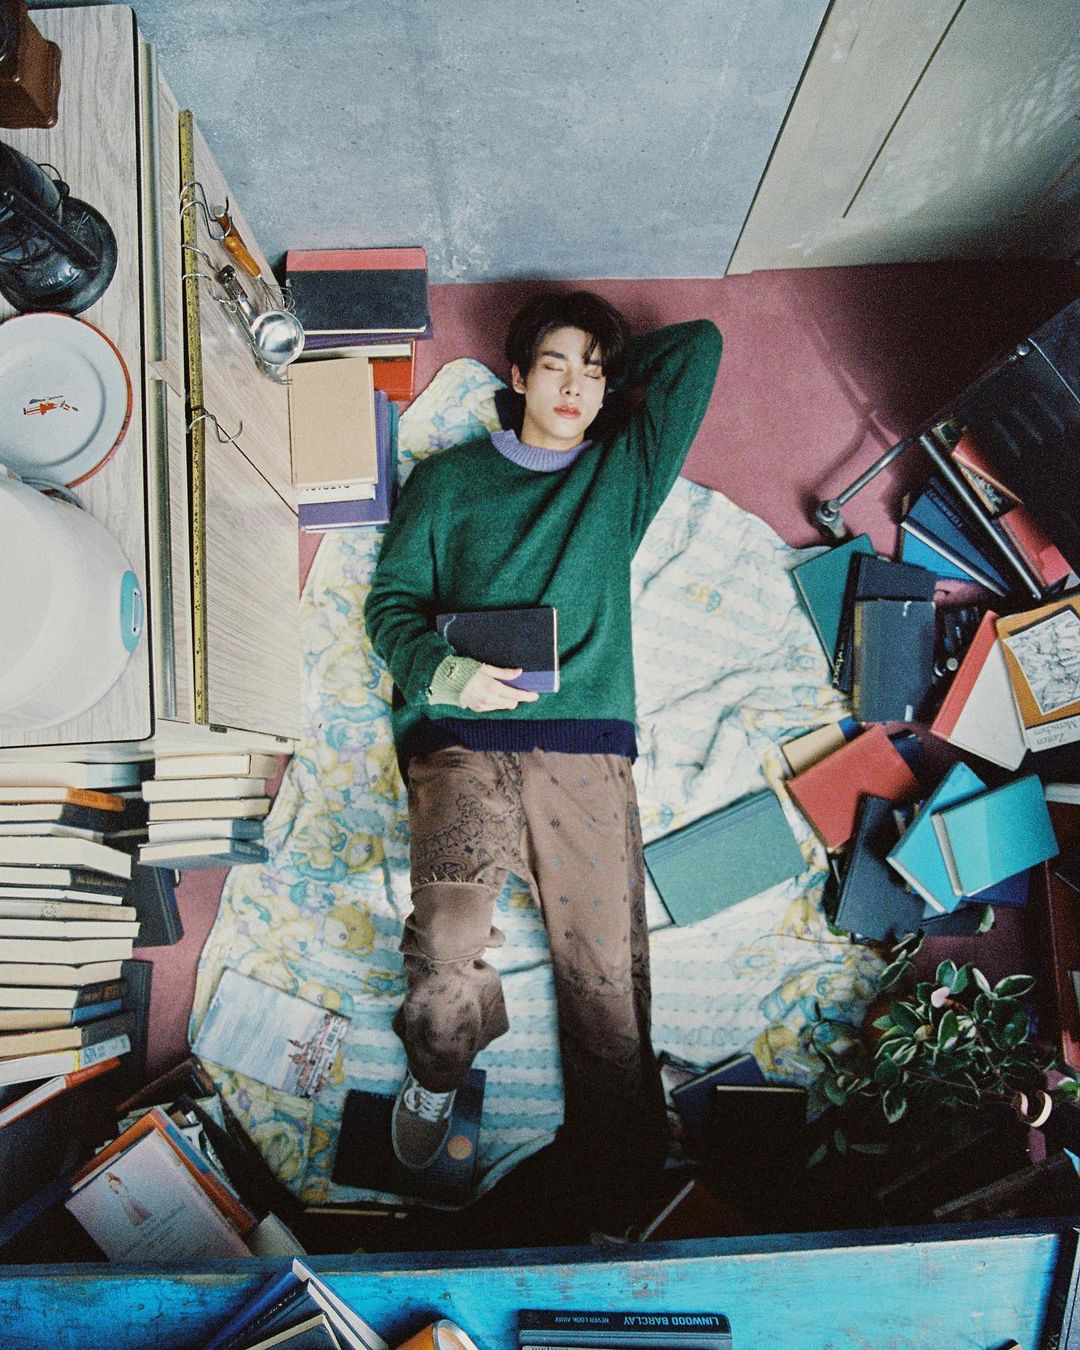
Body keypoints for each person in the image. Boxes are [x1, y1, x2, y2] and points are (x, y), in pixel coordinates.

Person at [364, 291, 721, 1222]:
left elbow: (699, 348)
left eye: (592, 373)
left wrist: (608, 364)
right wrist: (446, 673)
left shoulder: (621, 473)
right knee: (446, 943)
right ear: (516, 377)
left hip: (581, 745)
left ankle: (620, 1158)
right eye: (554, 366)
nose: (574, 387)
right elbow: (389, 607)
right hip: (461, 740)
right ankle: (436, 1070)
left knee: (602, 969)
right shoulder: (448, 482)